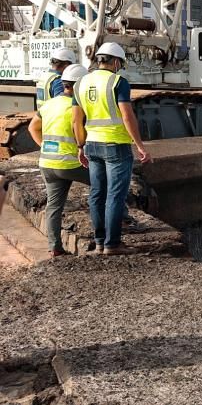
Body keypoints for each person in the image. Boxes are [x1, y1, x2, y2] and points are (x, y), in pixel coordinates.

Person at [72, 42, 151, 256]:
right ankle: (112, 244)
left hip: (92, 145)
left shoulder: (80, 83)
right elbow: (127, 115)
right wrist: (140, 146)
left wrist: (80, 146)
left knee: (97, 194)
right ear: (116, 61)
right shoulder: (118, 82)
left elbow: (76, 121)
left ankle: (99, 242)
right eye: (121, 64)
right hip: (116, 146)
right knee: (115, 195)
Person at [28, 64, 89, 257]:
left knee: (53, 206)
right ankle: (115, 225)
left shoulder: (49, 104)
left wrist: (44, 146)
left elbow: (32, 128)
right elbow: (80, 132)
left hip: (47, 163)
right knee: (106, 185)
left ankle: (55, 246)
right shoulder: (78, 106)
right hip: (71, 163)